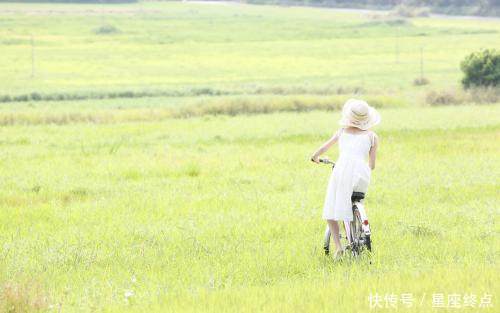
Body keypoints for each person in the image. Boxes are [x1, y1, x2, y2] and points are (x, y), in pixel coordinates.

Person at [311, 99, 380, 259]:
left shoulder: (342, 132)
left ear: (349, 116)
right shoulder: (372, 137)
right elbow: (372, 164)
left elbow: (324, 148)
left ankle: (339, 248)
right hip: (362, 176)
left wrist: (315, 156)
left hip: (342, 172)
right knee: (353, 201)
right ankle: (357, 226)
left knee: (331, 210)